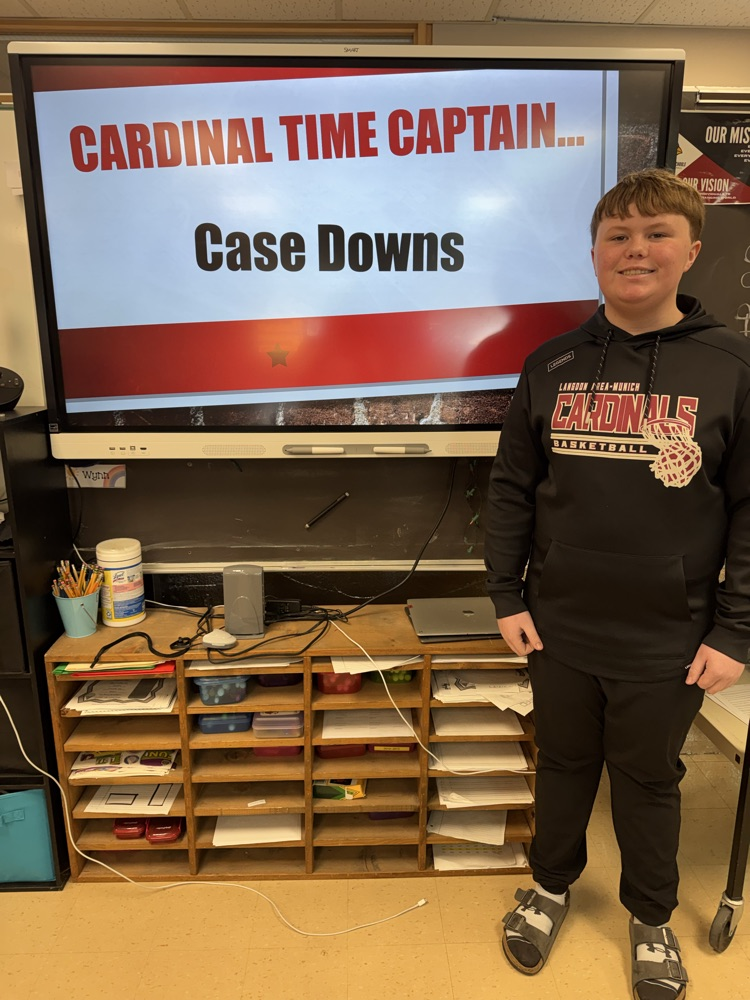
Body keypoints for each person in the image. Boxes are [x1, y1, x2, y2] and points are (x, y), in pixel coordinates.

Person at [484, 168, 750, 1000]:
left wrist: (735, 632)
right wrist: (506, 596)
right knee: (562, 764)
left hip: (670, 636)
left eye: (656, 233)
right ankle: (549, 888)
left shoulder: (733, 366)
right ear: (595, 253)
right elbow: (511, 489)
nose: (637, 250)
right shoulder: (552, 363)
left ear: (691, 250)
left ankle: (651, 918)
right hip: (558, 626)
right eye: (618, 236)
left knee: (648, 780)